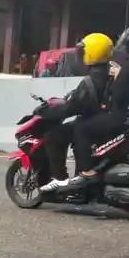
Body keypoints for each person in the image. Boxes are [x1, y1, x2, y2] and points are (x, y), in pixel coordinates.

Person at [44, 20, 129, 192]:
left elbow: (118, 93)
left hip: (124, 118)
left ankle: (86, 172)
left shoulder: (128, 67)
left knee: (82, 129)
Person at [38, 32, 114, 186]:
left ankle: (60, 179)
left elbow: (72, 107)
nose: (81, 56)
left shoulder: (91, 80)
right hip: (107, 121)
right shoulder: (111, 73)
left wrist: (48, 112)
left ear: (92, 53)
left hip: (90, 123)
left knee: (53, 136)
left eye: (84, 52)